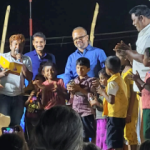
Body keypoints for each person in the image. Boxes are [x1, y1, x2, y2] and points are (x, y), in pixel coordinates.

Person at [114, 5, 150, 143]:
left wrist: (128, 53)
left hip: (146, 88)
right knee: (141, 130)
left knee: (145, 132)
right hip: (142, 89)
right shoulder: (144, 32)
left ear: (141, 18)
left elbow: (145, 59)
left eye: (134, 20)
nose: (133, 23)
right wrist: (128, 50)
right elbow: (141, 56)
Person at [0, 34, 33, 126]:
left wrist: (21, 63)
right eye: (15, 44)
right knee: (4, 123)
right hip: (3, 96)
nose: (17, 47)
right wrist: (2, 74)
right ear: (10, 46)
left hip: (18, 96)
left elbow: (30, 77)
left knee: (16, 123)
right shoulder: (2, 57)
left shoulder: (26, 59)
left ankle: (15, 140)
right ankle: (5, 140)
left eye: (20, 45)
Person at [97, 56, 128, 150]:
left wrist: (102, 92)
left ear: (108, 70)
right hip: (121, 114)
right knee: (117, 141)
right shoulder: (120, 79)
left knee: (112, 142)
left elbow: (111, 100)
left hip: (114, 116)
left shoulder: (112, 82)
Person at [67, 57, 96, 143]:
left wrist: (79, 89)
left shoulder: (91, 81)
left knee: (87, 136)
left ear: (88, 69)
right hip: (76, 112)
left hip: (86, 112)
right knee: (77, 136)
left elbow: (92, 96)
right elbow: (71, 97)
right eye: (78, 67)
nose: (80, 70)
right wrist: (71, 91)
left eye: (83, 67)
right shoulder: (73, 81)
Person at [116, 50, 138, 150]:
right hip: (124, 108)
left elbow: (133, 93)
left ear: (126, 58)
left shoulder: (130, 72)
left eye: (119, 57)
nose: (117, 59)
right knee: (127, 134)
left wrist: (129, 113)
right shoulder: (123, 72)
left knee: (131, 134)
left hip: (131, 108)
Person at [131, 48, 150, 140]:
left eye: (144, 58)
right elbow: (144, 89)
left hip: (149, 108)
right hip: (146, 107)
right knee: (146, 133)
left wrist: (139, 80)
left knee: (147, 134)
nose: (143, 60)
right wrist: (137, 81)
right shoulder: (148, 73)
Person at [89, 68, 110, 150]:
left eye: (102, 78)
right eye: (99, 78)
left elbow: (107, 107)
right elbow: (96, 106)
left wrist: (97, 103)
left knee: (104, 141)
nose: (100, 80)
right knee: (99, 141)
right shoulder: (100, 90)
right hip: (99, 118)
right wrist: (93, 101)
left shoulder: (107, 91)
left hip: (105, 119)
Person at [25, 74, 45, 141]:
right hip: (28, 117)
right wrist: (30, 97)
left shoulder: (42, 93)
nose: (36, 81)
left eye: (39, 80)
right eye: (36, 79)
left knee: (36, 135)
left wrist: (38, 98)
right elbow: (25, 104)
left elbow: (41, 107)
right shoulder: (31, 91)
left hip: (37, 118)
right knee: (28, 134)